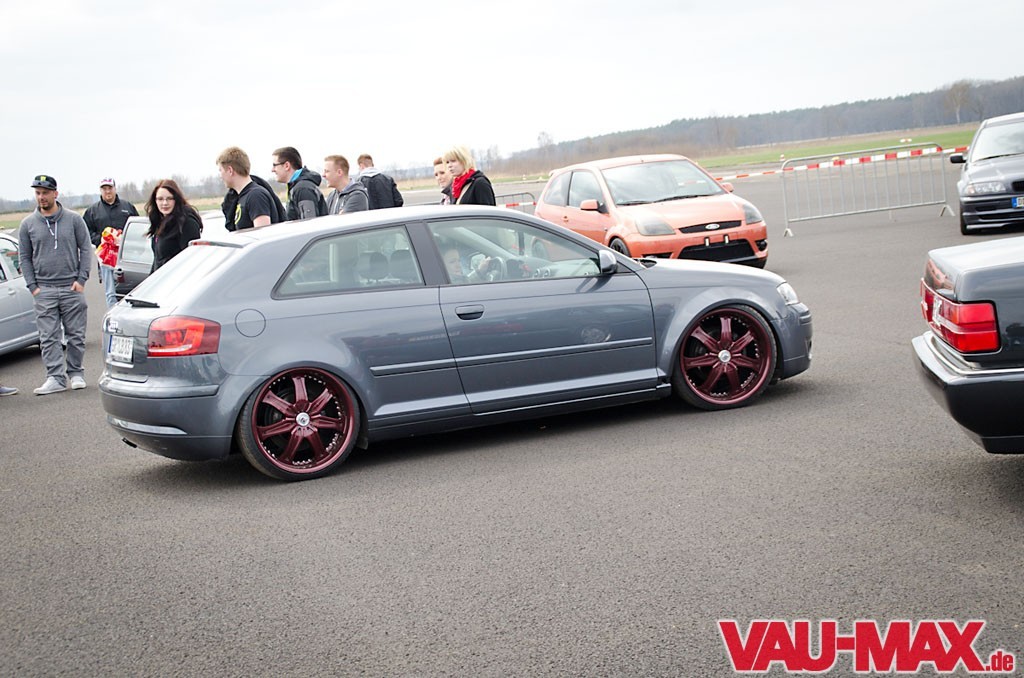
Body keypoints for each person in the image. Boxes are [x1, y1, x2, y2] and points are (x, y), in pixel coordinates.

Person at [18, 174, 91, 395]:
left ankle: (76, 373)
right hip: (44, 289)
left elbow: (86, 248)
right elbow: (24, 257)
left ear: (55, 193)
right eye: (38, 193)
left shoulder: (74, 219)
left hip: (71, 287)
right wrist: (33, 287)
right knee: (48, 337)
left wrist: (81, 279)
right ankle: (55, 378)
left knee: (75, 335)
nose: (41, 197)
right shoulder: (27, 224)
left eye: (45, 193)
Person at [83, 178, 138, 308]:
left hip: (127, 257)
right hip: (106, 259)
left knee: (132, 291)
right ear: (100, 190)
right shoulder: (93, 211)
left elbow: (136, 228)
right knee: (111, 294)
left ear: (115, 189)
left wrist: (127, 240)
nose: (107, 191)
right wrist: (100, 240)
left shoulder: (127, 207)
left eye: (110, 188)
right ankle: (114, 316)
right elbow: (86, 231)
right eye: (104, 189)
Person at [217, 146, 281, 230]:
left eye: (220, 170)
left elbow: (263, 233)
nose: (220, 176)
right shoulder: (243, 197)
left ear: (230, 170)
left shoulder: (256, 196)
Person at [145, 180, 202, 271]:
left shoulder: (187, 223)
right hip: (160, 278)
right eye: (160, 199)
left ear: (176, 199)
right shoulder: (160, 222)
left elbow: (191, 261)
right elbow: (157, 260)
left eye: (169, 198)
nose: (165, 203)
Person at [271, 147, 328, 221]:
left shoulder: (303, 189)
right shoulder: (297, 187)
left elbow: (310, 223)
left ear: (287, 166)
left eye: (274, 165)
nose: (272, 170)